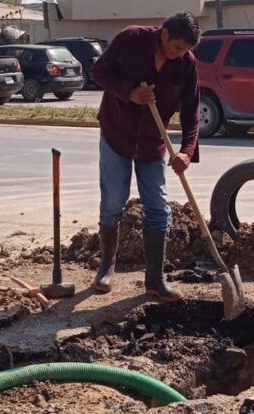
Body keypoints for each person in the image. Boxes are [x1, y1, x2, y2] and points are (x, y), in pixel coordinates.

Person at [89, 12, 201, 302]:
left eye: (185, 51)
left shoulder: (186, 65)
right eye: (177, 48)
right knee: (114, 200)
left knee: (159, 208)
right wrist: (128, 93)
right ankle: (106, 266)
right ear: (164, 34)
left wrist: (187, 153)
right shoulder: (132, 39)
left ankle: (155, 279)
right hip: (118, 133)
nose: (179, 55)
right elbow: (99, 71)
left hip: (152, 142)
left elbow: (192, 111)